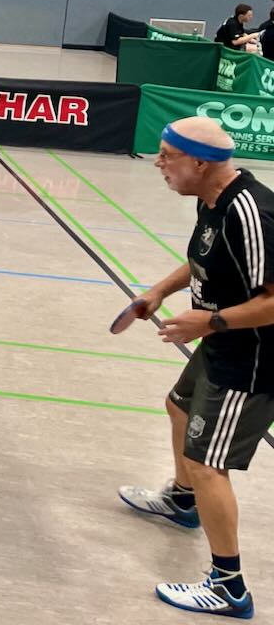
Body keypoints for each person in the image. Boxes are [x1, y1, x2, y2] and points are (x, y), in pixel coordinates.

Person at [117, 116, 274, 619]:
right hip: (223, 340)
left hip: (253, 356)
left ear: (200, 163)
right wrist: (159, 291)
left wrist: (210, 321)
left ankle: (229, 587)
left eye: (168, 156)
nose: (158, 164)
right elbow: (206, 259)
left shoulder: (251, 214)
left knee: (209, 465)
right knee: (179, 407)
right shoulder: (211, 200)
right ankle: (183, 502)